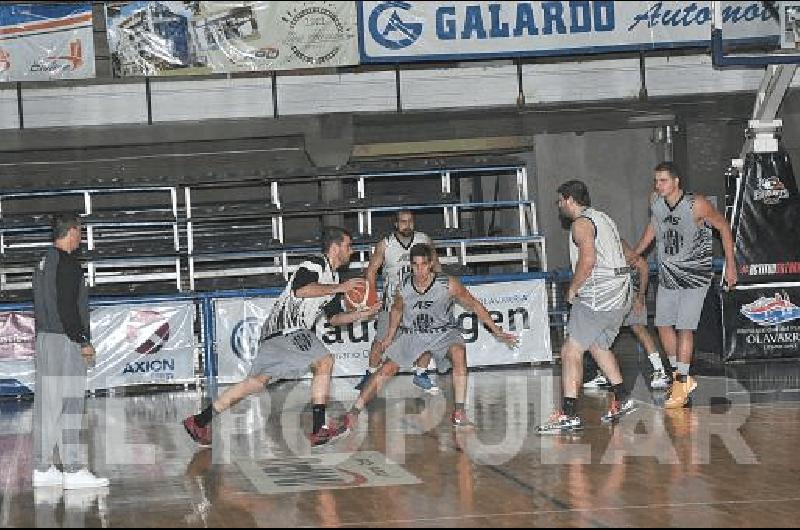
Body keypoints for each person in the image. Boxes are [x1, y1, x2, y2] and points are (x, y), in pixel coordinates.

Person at [183, 227, 380, 447]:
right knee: (325, 361)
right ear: (335, 247)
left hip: (274, 334)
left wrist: (363, 314)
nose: (351, 251)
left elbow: (334, 319)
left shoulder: (332, 278)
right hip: (290, 328)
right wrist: (340, 287)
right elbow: (301, 290)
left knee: (255, 384)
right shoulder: (315, 264)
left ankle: (199, 421)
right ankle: (318, 428)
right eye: (348, 246)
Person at [342, 243, 518, 430]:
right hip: (414, 333)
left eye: (423, 264)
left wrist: (496, 330)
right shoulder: (404, 286)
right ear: (410, 265)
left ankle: (459, 411)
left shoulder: (448, 284)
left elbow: (474, 305)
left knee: (459, 353)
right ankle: (354, 412)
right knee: (386, 370)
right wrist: (390, 336)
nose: (419, 270)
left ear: (431, 264)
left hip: (444, 332)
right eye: (415, 265)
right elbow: (397, 309)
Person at [632, 162, 737, 409]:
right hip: (669, 273)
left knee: (684, 328)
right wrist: (637, 252)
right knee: (662, 325)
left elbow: (722, 226)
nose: (658, 186)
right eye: (656, 181)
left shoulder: (696, 204)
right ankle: (682, 376)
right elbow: (655, 226)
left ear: (676, 182)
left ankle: (680, 381)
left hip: (695, 275)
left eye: (663, 181)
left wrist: (730, 264)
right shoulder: (656, 201)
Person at [537, 181, 636, 435]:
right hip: (621, 291)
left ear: (570, 200)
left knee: (571, 350)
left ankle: (568, 413)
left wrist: (573, 288)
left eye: (560, 200)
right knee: (597, 345)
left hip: (598, 294)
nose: (559, 206)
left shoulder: (580, 224)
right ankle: (622, 398)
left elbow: (588, 260)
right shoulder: (603, 218)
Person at [32, 213, 109, 489]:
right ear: (72, 232)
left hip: (44, 338)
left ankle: (42, 468)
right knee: (71, 403)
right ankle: (73, 469)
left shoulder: (42, 262)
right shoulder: (68, 265)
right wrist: (83, 341)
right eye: (81, 232)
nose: (82, 238)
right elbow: (67, 308)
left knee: (47, 404)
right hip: (64, 341)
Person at [354, 210, 441, 394]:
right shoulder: (385, 245)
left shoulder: (424, 240)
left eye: (410, 221)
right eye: (403, 222)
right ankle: (370, 374)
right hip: (392, 302)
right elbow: (371, 271)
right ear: (396, 224)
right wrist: (371, 297)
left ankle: (421, 374)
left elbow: (437, 266)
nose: (407, 225)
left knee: (428, 336)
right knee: (381, 341)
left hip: (419, 301)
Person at [583, 240, 671, 391]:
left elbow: (643, 266)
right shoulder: (594, 248)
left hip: (630, 296)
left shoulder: (619, 245)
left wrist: (641, 297)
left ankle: (659, 371)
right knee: (602, 336)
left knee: (639, 330)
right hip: (612, 298)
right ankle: (604, 374)